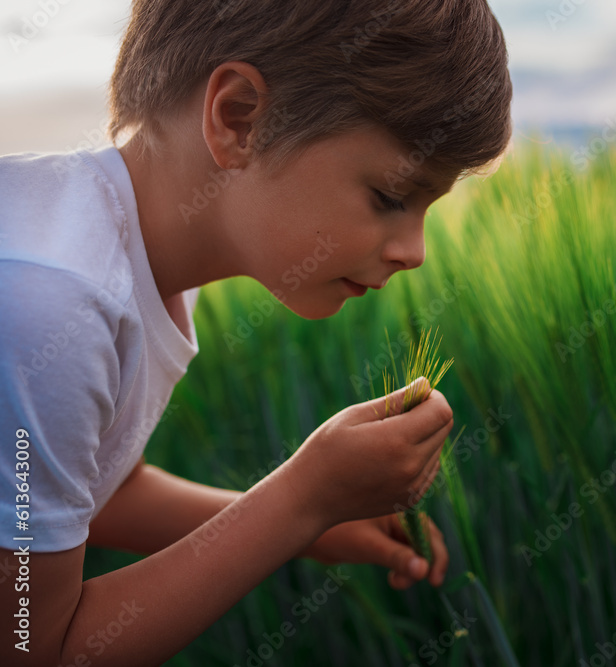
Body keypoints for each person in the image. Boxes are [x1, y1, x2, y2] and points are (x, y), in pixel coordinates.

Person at [0, 0, 512, 663]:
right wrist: (303, 498)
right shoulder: (56, 300)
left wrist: (318, 525)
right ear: (239, 117)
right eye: (389, 196)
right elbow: (30, 646)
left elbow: (101, 495)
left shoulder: (128, 269)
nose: (414, 251)